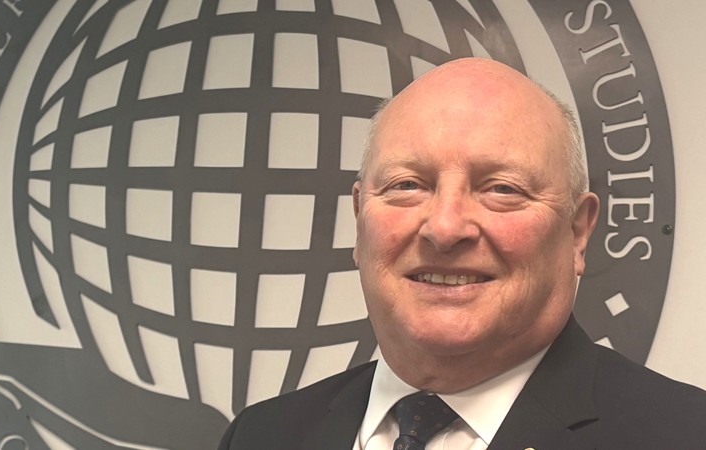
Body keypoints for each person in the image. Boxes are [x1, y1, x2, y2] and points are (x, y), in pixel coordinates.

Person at [217, 58, 706, 449]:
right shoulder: (261, 436)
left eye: (502, 189)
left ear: (577, 232)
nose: (445, 228)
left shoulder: (686, 435)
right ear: (360, 217)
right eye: (407, 185)